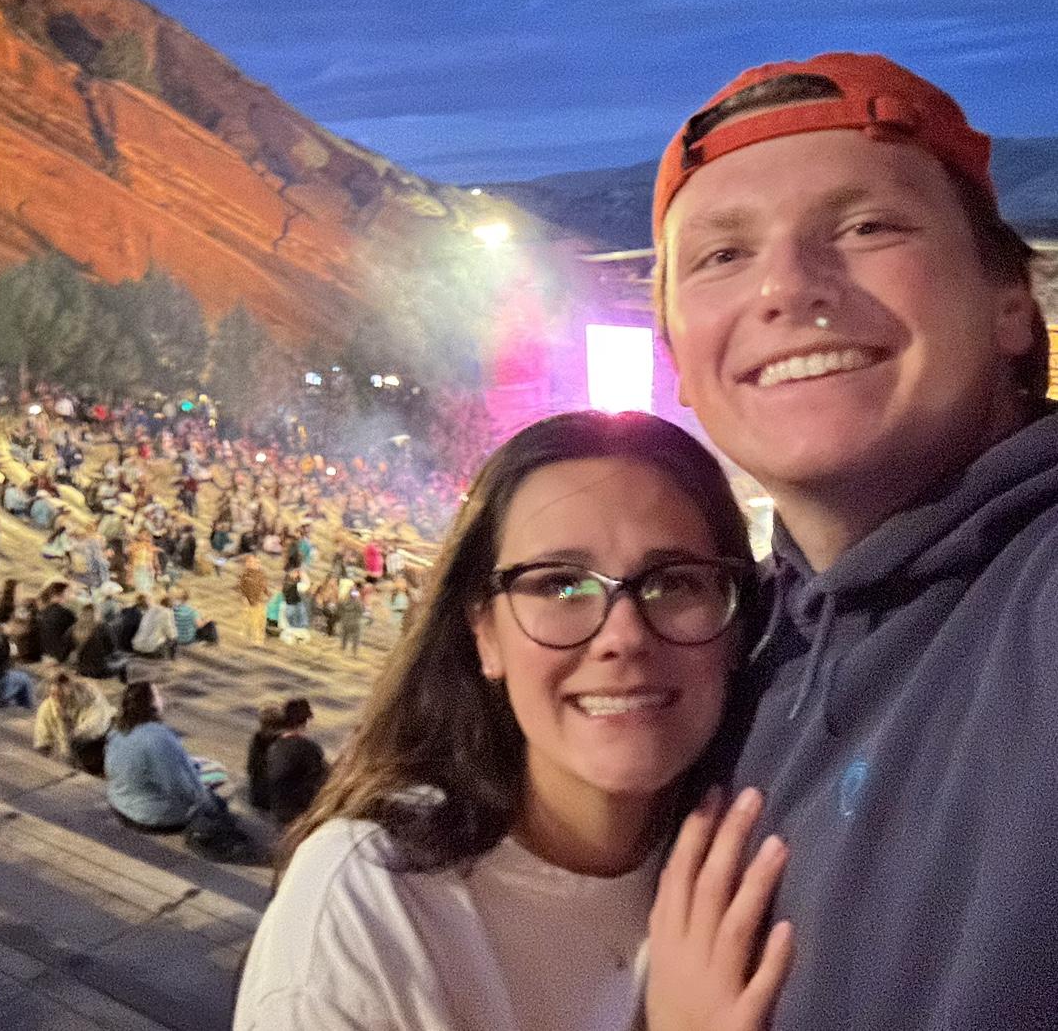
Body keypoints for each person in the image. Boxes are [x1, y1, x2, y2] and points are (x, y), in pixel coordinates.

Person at [648, 51, 1058, 1031]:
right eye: (721, 255)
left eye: (869, 226)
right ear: (681, 364)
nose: (787, 288)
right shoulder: (725, 659)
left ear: (1012, 302)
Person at [235, 411, 777, 1031]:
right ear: (485, 634)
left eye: (675, 582)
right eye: (560, 585)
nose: (623, 636)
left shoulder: (766, 862)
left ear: (737, 626)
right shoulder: (370, 904)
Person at [105, 680, 223, 833]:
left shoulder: (118, 731)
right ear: (151, 704)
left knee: (198, 764)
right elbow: (181, 787)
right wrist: (210, 805)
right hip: (152, 816)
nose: (162, 699)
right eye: (158, 695)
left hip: (120, 803)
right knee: (218, 774)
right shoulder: (159, 737)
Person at [33, 670, 115, 774]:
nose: (58, 698)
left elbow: (97, 726)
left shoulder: (90, 697)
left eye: (61, 693)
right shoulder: (47, 708)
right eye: (54, 694)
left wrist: (70, 731)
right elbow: (42, 741)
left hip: (95, 742)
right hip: (70, 751)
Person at [264, 697, 328, 829]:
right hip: (297, 814)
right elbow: (322, 782)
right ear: (305, 722)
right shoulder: (309, 748)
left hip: (276, 808)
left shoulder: (274, 746)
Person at [246, 703, 287, 812]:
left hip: (257, 796)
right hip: (273, 800)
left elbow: (251, 768)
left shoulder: (257, 739)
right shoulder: (282, 742)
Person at [73, 604, 127, 679]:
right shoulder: (104, 627)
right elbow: (112, 649)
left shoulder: (75, 627)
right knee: (126, 661)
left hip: (82, 669)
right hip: (99, 671)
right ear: (97, 614)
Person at [131, 593, 178, 659]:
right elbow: (170, 633)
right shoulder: (167, 612)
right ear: (171, 605)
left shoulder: (150, 609)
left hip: (137, 647)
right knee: (174, 638)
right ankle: (171, 659)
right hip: (151, 650)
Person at [237, 555, 269, 646]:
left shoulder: (261, 574)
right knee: (253, 620)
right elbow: (241, 587)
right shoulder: (245, 575)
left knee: (261, 621)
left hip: (260, 601)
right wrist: (244, 598)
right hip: (251, 601)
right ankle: (255, 639)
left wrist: (268, 595)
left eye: (255, 562)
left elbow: (264, 586)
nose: (253, 564)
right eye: (250, 562)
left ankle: (260, 639)